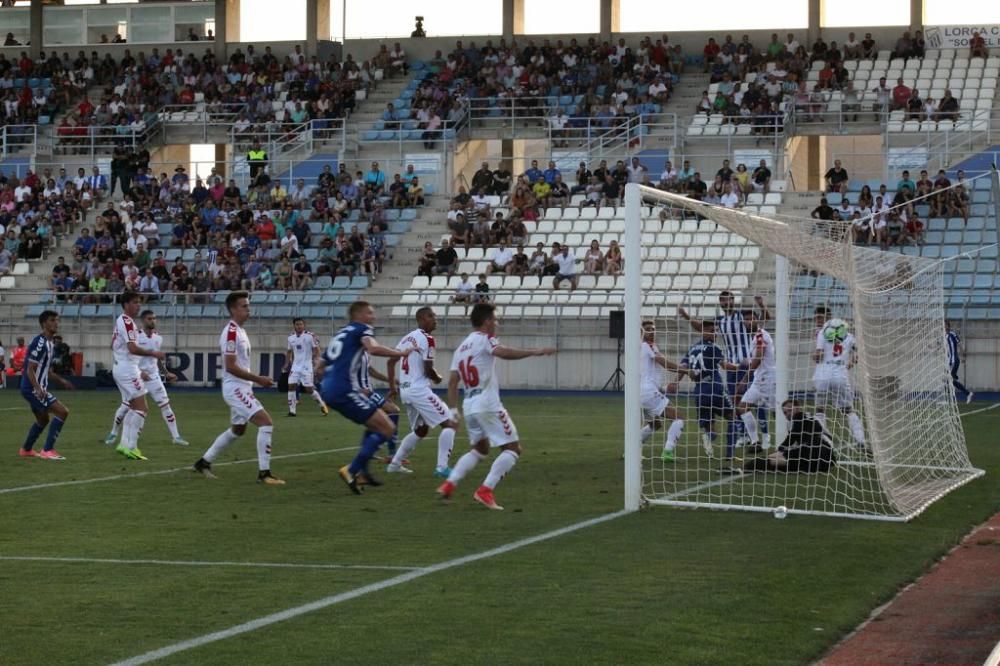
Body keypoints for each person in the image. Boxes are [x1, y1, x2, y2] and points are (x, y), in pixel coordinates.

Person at [438, 304, 557, 510]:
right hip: (488, 404)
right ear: (486, 322)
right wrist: (535, 352)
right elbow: (502, 352)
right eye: (495, 319)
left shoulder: (461, 347)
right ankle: (486, 490)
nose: (497, 323)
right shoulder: (485, 339)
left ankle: (450, 484)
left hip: (470, 405)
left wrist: (454, 411)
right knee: (512, 449)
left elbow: (452, 382)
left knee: (480, 449)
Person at [319, 300, 413, 494]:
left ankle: (363, 473)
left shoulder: (341, 334)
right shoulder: (362, 329)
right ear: (359, 315)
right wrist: (401, 353)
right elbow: (373, 349)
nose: (373, 317)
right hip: (344, 390)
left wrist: (328, 384)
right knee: (387, 427)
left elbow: (319, 366)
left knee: (374, 424)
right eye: (370, 313)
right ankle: (351, 470)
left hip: (329, 390)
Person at [192, 291, 285, 485]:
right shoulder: (232, 332)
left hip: (243, 388)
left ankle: (203, 462)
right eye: (244, 306)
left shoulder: (240, 331)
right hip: (235, 388)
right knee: (266, 423)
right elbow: (231, 366)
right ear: (233, 309)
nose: (248, 310)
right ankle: (264, 474)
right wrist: (259, 379)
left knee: (238, 430)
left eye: (248, 306)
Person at [680, 292, 770, 457]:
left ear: (733, 301)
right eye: (722, 300)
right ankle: (743, 435)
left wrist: (761, 305)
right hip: (732, 366)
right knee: (737, 400)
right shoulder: (720, 321)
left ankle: (765, 435)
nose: (724, 302)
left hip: (748, 364)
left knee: (755, 400)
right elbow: (702, 327)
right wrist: (686, 316)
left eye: (727, 299)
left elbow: (764, 319)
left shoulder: (742, 317)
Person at [385, 307, 460, 477]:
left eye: (435, 315)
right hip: (418, 390)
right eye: (431, 316)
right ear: (421, 319)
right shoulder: (428, 339)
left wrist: (392, 387)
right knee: (450, 423)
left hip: (406, 391)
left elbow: (391, 362)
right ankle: (442, 468)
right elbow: (428, 369)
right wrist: (438, 378)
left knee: (421, 431)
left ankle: (395, 465)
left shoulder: (406, 339)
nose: (435, 318)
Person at [105, 309, 189, 447]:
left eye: (154, 318)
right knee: (126, 406)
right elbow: (130, 355)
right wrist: (139, 371)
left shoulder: (158, 338)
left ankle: (176, 436)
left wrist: (166, 373)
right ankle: (114, 432)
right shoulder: (136, 336)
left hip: (153, 377)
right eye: (150, 319)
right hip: (136, 375)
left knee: (165, 405)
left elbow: (156, 358)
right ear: (143, 321)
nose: (153, 321)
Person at [111, 292, 166, 461]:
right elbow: (133, 349)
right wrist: (154, 353)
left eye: (139, 302)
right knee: (142, 408)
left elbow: (113, 344)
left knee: (134, 407)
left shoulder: (123, 321)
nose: (138, 305)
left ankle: (124, 444)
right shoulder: (127, 322)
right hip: (128, 370)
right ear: (126, 304)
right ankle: (132, 447)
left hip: (123, 367)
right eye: (135, 302)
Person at [678, 319, 742, 462]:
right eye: (712, 331)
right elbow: (724, 365)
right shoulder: (714, 348)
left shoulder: (693, 348)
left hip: (699, 390)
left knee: (709, 424)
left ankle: (708, 437)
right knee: (733, 417)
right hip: (715, 387)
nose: (715, 334)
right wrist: (740, 367)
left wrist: (676, 382)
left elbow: (682, 365)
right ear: (703, 331)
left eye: (716, 331)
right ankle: (730, 455)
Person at [18, 310, 74, 459]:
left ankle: (26, 449)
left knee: (43, 420)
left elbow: (46, 371)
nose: (56, 323)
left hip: (34, 388)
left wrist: (62, 381)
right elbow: (30, 368)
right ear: (44, 324)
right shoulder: (40, 342)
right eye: (52, 320)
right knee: (62, 412)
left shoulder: (50, 343)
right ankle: (48, 450)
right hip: (32, 388)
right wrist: (37, 388)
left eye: (57, 320)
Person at [811, 308, 867, 449]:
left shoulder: (821, 334)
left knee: (819, 410)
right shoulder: (848, 335)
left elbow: (818, 356)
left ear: (828, 317)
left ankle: (824, 438)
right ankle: (860, 440)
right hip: (841, 376)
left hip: (823, 376)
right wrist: (847, 365)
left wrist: (814, 356)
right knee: (848, 410)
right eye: (816, 317)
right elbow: (859, 354)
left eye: (820, 317)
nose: (817, 320)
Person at [743, 400, 835, 473]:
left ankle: (754, 464)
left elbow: (790, 440)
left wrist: (777, 451)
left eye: (790, 410)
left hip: (814, 451)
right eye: (785, 413)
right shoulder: (810, 418)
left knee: (768, 462)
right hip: (825, 461)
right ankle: (758, 463)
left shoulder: (799, 417)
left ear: (798, 408)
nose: (788, 414)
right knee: (784, 465)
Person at [639, 321, 686, 462]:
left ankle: (630, 452)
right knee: (679, 418)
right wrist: (684, 370)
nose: (651, 332)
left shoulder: (638, 349)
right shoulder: (647, 346)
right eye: (647, 329)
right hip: (647, 393)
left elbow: (647, 375)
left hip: (639, 394)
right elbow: (663, 362)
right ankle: (668, 452)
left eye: (653, 329)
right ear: (641, 332)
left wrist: (664, 388)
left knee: (655, 424)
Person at [735, 319, 776, 451]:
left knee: (779, 413)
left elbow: (759, 358)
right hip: (760, 380)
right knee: (742, 407)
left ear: (756, 320)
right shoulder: (755, 337)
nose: (747, 322)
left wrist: (745, 378)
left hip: (768, 380)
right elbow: (756, 358)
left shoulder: (760, 335)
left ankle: (794, 440)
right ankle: (755, 443)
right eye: (745, 320)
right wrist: (746, 362)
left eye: (750, 319)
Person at [281, 317, 329, 417]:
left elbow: (316, 349)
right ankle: (292, 411)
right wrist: (286, 364)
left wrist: (317, 361)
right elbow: (289, 351)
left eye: (301, 324)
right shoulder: (291, 338)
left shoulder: (310, 336)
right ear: (294, 325)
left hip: (307, 366)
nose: (299, 326)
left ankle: (322, 404)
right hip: (295, 367)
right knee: (291, 386)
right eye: (297, 324)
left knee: (309, 389)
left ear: (304, 325)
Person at [945, 319, 973, 403]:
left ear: (948, 326)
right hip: (949, 362)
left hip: (955, 361)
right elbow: (939, 347)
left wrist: (963, 354)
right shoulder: (944, 336)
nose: (943, 326)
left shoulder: (952, 334)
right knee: (950, 381)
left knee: (949, 379)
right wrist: (931, 348)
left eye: (945, 324)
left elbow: (959, 344)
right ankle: (968, 393)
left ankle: (949, 399)